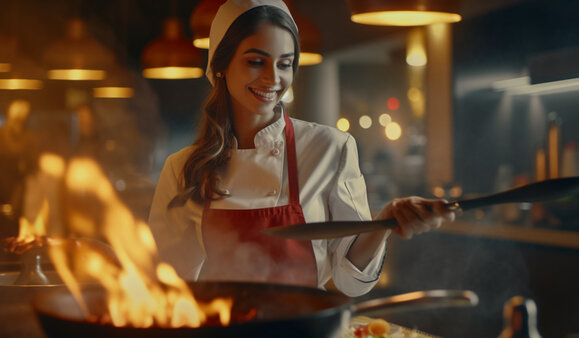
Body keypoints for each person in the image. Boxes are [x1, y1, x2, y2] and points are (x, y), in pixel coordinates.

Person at [149, 0, 455, 297]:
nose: (273, 78)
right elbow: (166, 280)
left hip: (303, 335)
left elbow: (352, 281)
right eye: (255, 61)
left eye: (285, 64)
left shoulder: (330, 149)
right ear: (220, 67)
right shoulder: (183, 168)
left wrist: (385, 221)